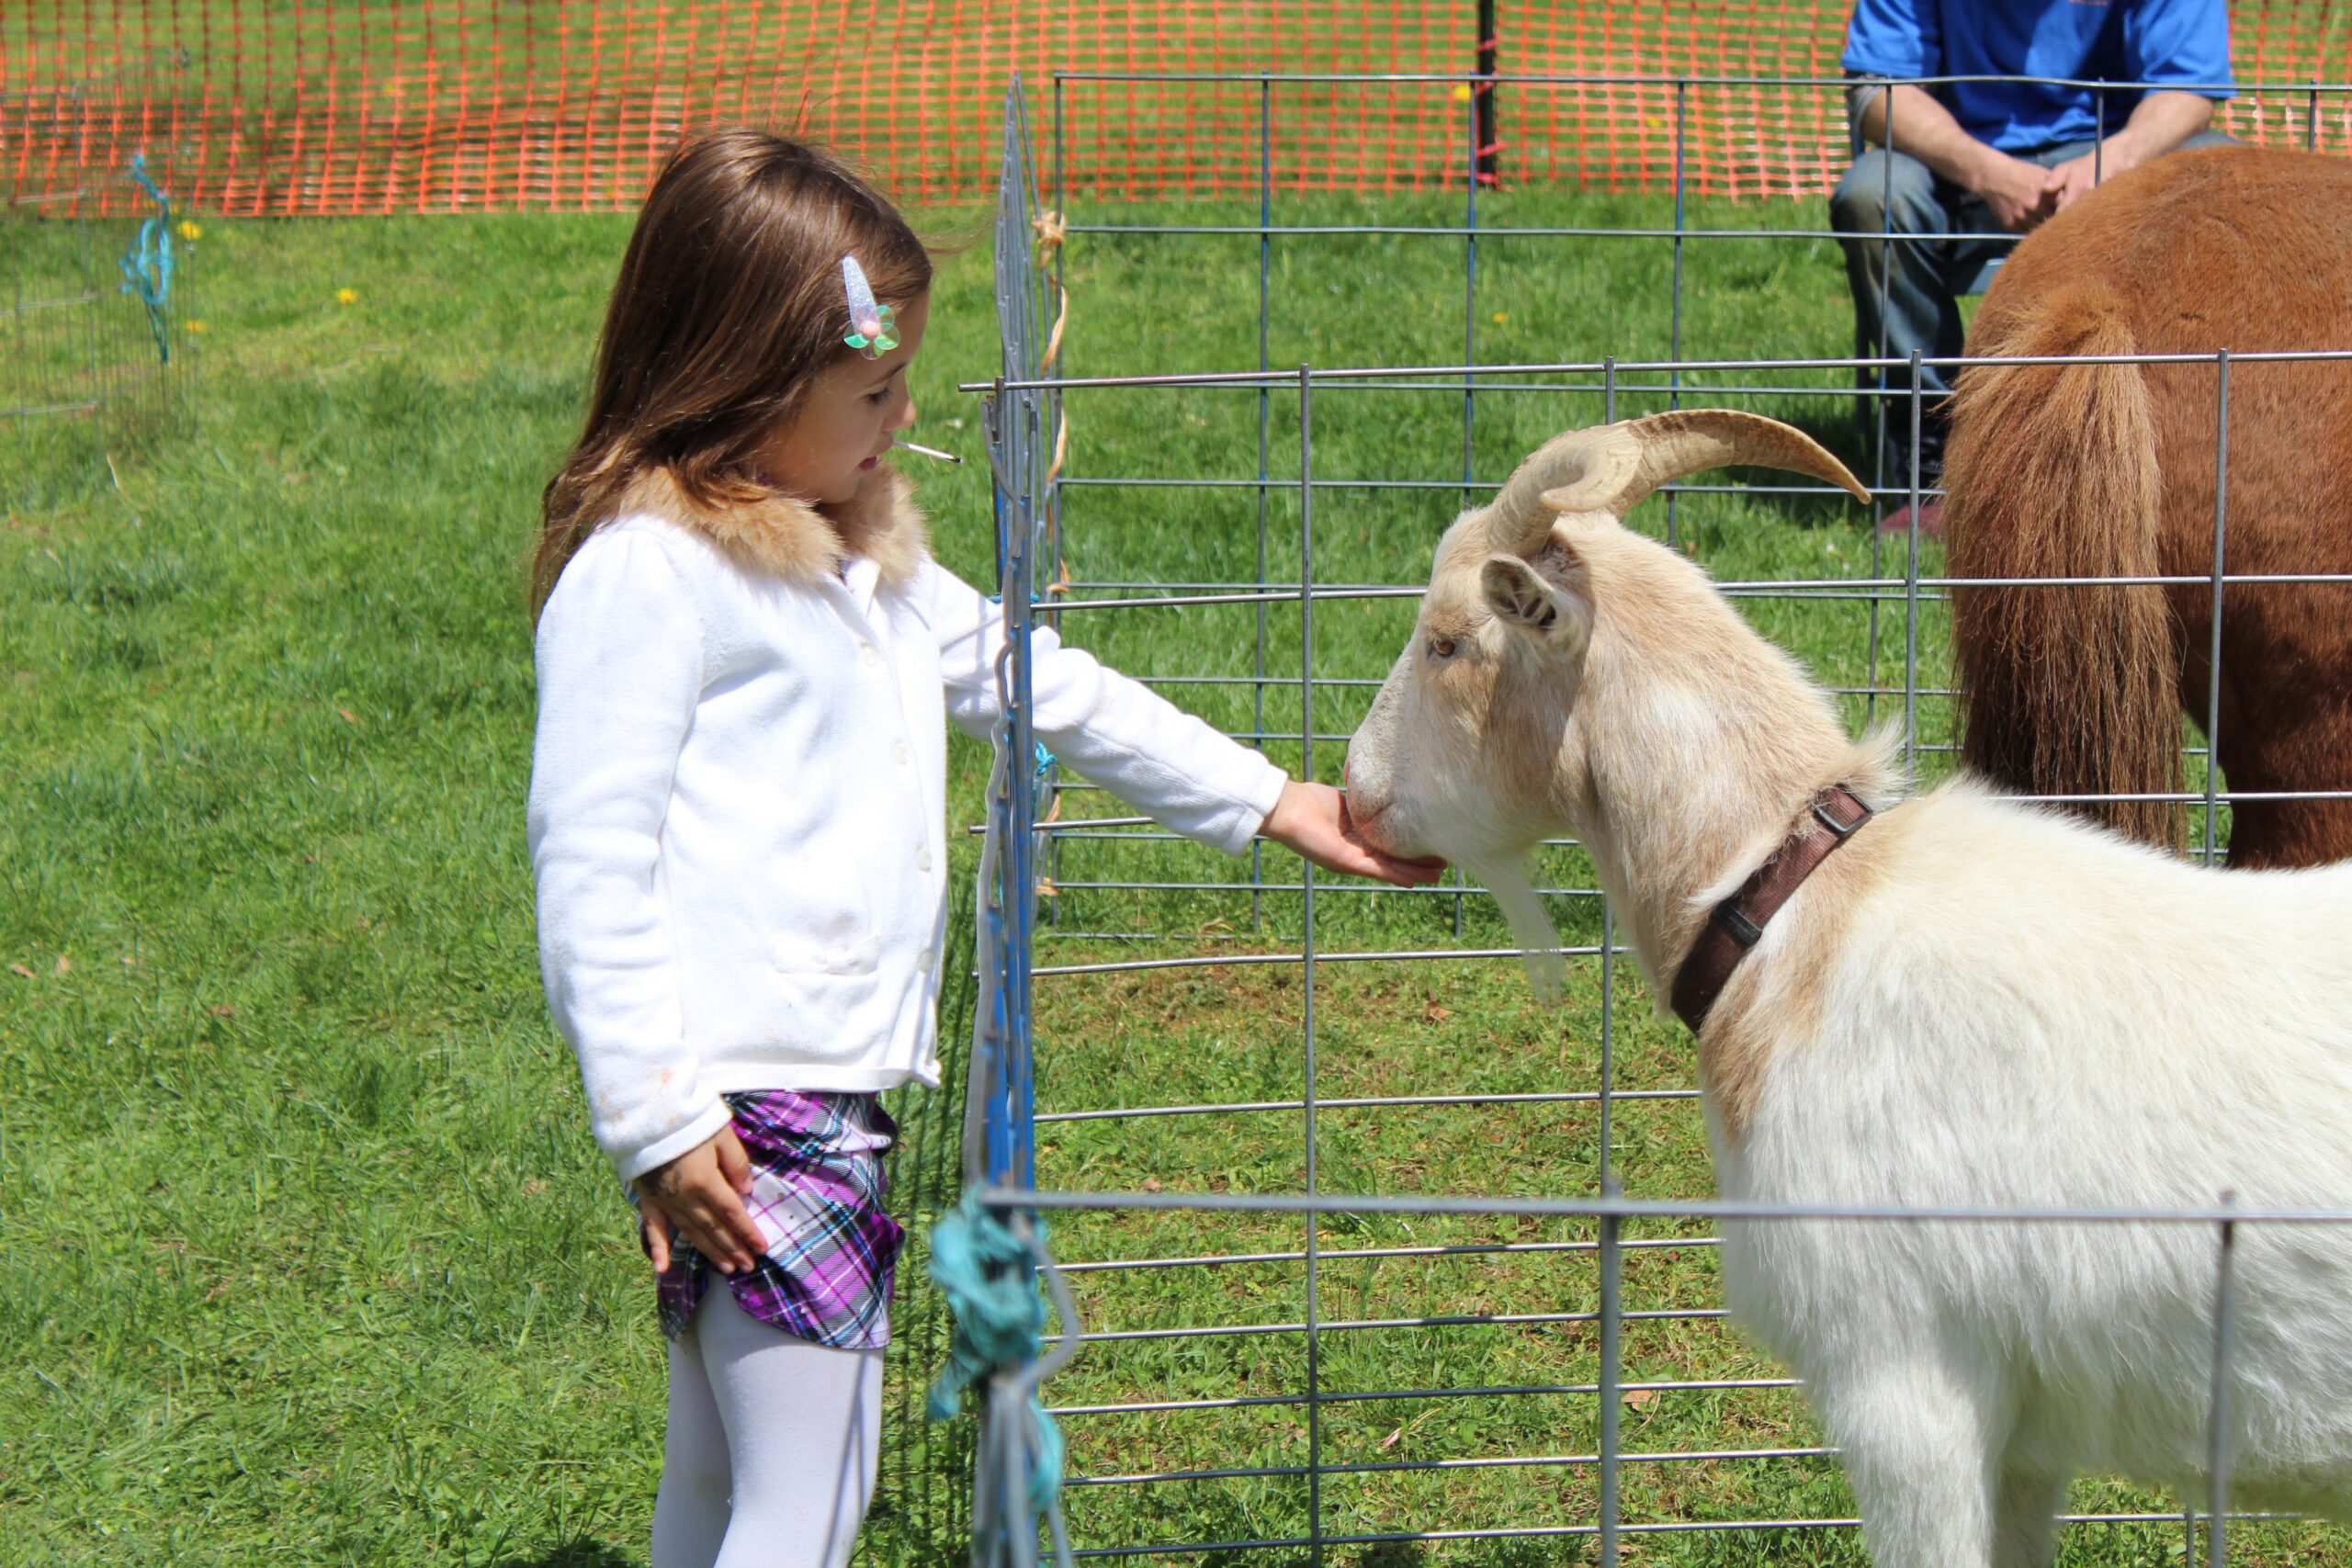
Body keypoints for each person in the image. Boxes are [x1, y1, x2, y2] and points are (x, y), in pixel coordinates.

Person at [526, 130, 1443, 1568]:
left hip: (795, 1095)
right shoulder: (652, 575)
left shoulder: (858, 556)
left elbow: (1045, 680)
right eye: (873, 389)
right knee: (810, 1490)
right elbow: (589, 862)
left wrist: (1277, 798)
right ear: (748, 387)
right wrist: (658, 1120)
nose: (901, 417)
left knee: (719, 1473)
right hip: (749, 1108)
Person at [1830, 0, 2234, 526]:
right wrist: (1987, 173)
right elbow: (1877, 91)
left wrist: (2114, 161)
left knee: (2220, 178)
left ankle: (2180, 449)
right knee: (1871, 193)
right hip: (1961, 164)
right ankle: (1932, 461)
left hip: (2119, 157)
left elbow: (2190, 87)